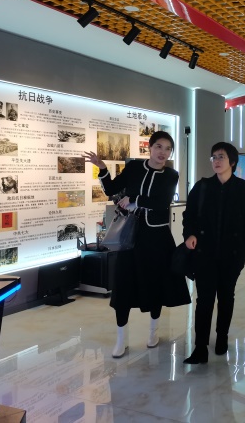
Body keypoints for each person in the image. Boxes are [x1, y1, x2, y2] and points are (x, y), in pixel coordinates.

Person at [84, 131, 190, 358]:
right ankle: (121, 340)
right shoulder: (134, 168)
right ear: (150, 148)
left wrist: (134, 199)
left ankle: (153, 333)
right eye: (159, 146)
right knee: (123, 286)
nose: (163, 152)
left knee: (157, 284)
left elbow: (162, 202)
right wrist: (102, 168)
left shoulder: (171, 175)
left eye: (168, 149)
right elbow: (111, 189)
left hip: (158, 237)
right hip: (129, 236)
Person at [182, 142, 245, 364]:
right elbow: (190, 215)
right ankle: (200, 347)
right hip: (204, 254)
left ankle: (222, 337)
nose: (216, 161)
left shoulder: (243, 188)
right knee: (204, 300)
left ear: (232, 162)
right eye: (214, 157)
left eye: (221, 157)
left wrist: (244, 242)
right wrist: (189, 234)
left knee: (226, 297)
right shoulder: (203, 186)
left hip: (231, 255)